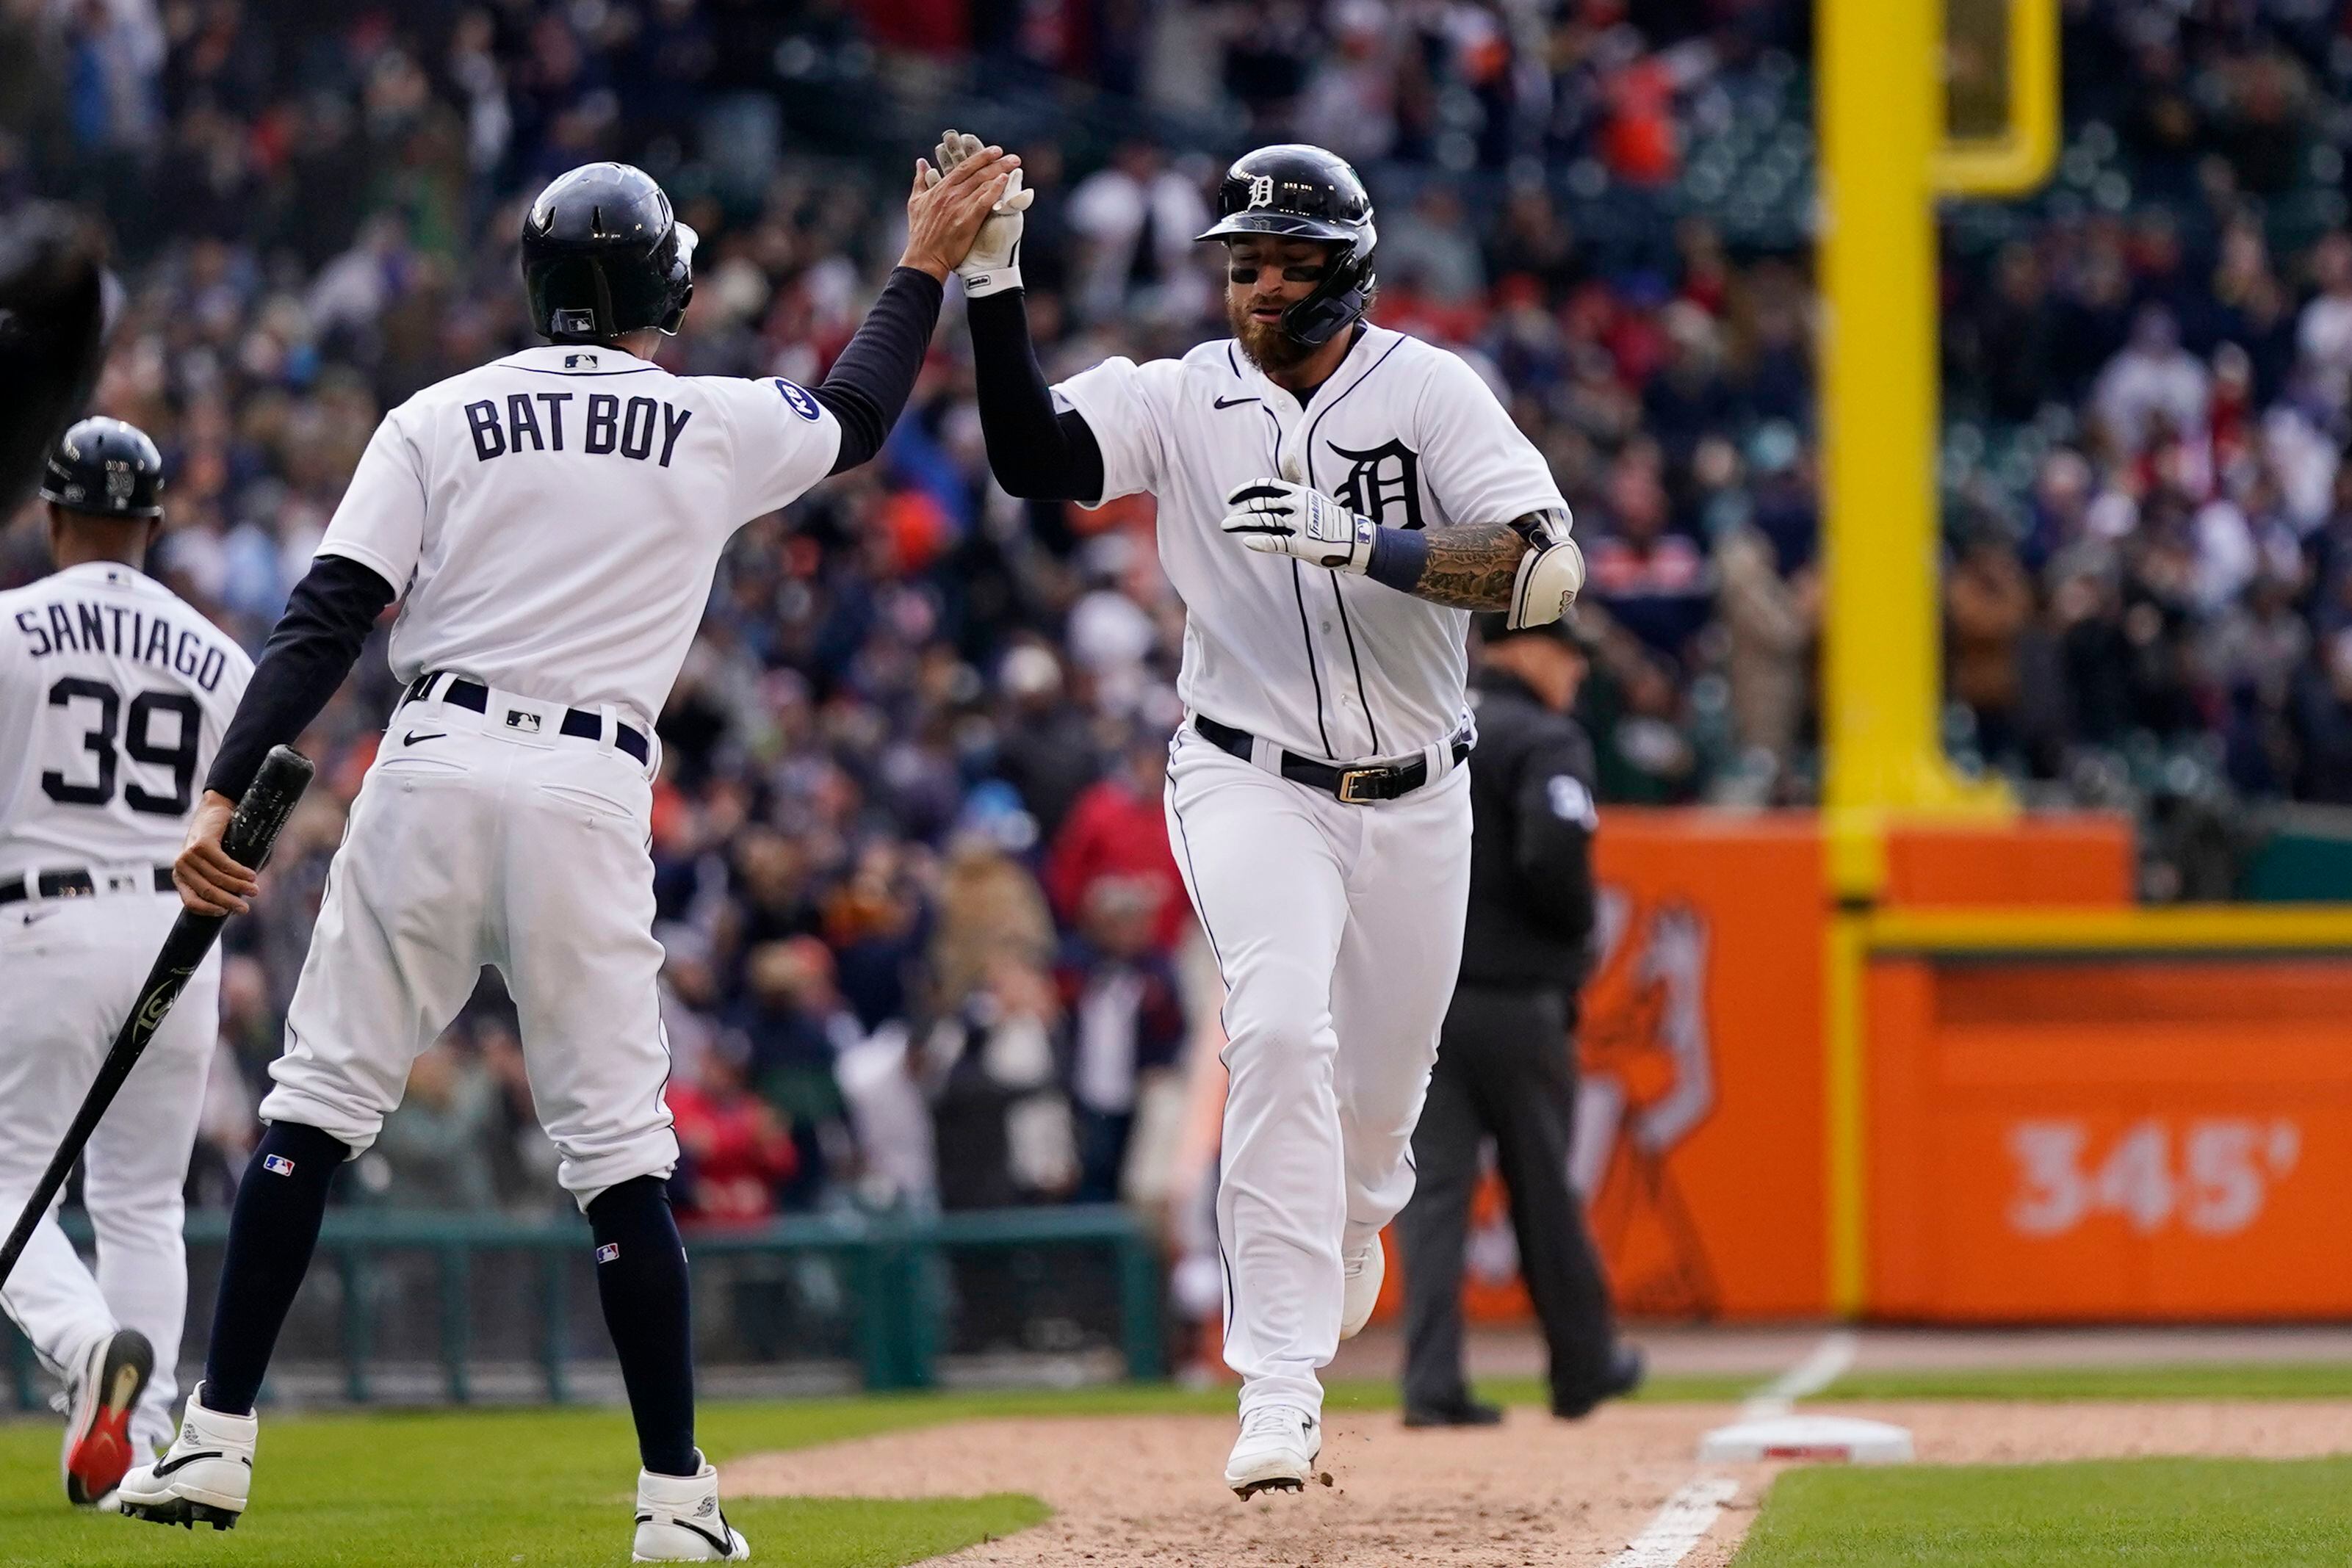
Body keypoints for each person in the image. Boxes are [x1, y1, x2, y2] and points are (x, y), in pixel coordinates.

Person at [126, 148, 1020, 1558]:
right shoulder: (706, 420)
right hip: (585, 790)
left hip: (428, 763)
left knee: (310, 1113)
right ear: (664, 281)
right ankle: (673, 1500)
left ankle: (215, 1442)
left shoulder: (437, 413)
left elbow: (326, 616)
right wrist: (920, 263)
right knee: (615, 1157)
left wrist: (222, 797)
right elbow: (855, 413)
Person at [946, 129, 1588, 1496]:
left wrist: (1369, 543)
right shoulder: (1183, 396)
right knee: (1278, 1031)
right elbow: (1031, 458)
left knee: (1375, 1118)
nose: (1254, 284)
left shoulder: (1427, 391)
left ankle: (1358, 1217)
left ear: (1345, 272)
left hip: (1420, 794)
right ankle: (1277, 1391)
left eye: (1283, 260)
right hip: (1245, 774)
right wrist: (992, 291)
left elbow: (1545, 578)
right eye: (1240, 259)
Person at [0, 418, 253, 1508]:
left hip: (40, 921)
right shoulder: (220, 653)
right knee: (145, 1199)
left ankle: (84, 1337)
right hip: (176, 931)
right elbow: (251, 819)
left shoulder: (7, 627)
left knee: (9, 1179)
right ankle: (132, 1458)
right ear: (151, 525)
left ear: (51, 515)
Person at [1394, 613, 1642, 1428]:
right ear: (1530, 649)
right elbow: (1555, 852)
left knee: (1435, 1196)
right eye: (1570, 655)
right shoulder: (1542, 737)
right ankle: (1582, 1364)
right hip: (1515, 999)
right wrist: (1570, 936)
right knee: (1541, 1183)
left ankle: (1430, 1382)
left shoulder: (1431, 723)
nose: (1576, 673)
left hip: (1428, 1000)